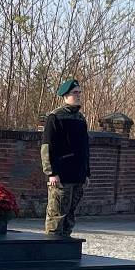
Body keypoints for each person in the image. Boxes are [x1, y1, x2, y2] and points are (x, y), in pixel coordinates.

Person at [41, 79, 90, 237]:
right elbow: (47, 146)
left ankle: (66, 244)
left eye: (79, 92)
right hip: (61, 175)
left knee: (70, 214)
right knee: (56, 214)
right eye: (75, 93)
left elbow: (85, 148)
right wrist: (51, 172)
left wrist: (86, 172)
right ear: (66, 95)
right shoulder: (55, 117)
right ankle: (52, 245)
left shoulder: (81, 119)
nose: (78, 95)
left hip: (78, 174)